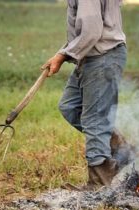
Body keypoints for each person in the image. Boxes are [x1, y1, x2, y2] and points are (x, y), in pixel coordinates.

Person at [42, 0, 132, 190]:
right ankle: (122, 151)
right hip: (92, 55)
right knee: (70, 106)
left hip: (102, 56)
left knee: (95, 121)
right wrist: (63, 52)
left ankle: (99, 183)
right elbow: (85, 31)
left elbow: (91, 31)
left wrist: (64, 55)